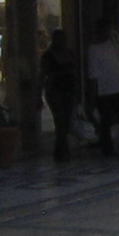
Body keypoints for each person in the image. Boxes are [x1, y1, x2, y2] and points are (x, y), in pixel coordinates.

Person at [85, 20, 119, 157]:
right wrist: (92, 96)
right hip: (103, 91)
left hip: (117, 88)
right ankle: (107, 147)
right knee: (106, 120)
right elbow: (93, 75)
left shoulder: (112, 44)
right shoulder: (93, 50)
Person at [41, 27, 82, 162]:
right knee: (60, 120)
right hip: (55, 91)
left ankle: (61, 149)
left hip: (69, 90)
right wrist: (38, 95)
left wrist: (78, 91)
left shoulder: (70, 53)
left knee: (67, 121)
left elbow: (75, 73)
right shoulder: (48, 56)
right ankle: (62, 151)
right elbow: (42, 75)